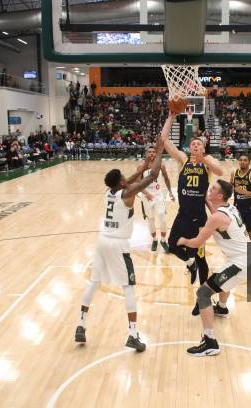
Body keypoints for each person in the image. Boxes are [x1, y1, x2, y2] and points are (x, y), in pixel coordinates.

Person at [75, 113, 172, 350]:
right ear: (121, 184)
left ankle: (81, 324)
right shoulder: (126, 194)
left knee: (94, 282)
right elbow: (151, 177)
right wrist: (158, 154)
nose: (126, 180)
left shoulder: (110, 192)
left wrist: (140, 168)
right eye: (124, 179)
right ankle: (132, 334)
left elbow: (130, 180)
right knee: (128, 287)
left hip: (101, 241)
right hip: (117, 245)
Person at [177, 180, 247, 356]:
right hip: (242, 258)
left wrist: (183, 241)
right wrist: (204, 198)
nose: (209, 189)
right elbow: (215, 211)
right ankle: (222, 308)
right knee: (223, 278)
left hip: (240, 263)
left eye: (213, 189)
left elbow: (198, 242)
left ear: (220, 196)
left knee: (203, 293)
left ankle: (210, 342)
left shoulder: (217, 218)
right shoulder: (229, 208)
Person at [163, 115, 224, 316]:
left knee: (202, 258)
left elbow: (220, 171)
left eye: (199, 144)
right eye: (193, 144)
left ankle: (202, 299)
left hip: (199, 217)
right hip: (183, 214)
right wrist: (171, 117)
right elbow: (164, 139)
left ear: (203, 148)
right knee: (171, 245)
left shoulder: (207, 163)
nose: (196, 146)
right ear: (189, 148)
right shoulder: (183, 160)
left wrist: (205, 159)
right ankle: (189, 264)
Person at [137, 146, 175, 252]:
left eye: (154, 152)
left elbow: (166, 178)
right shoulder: (141, 166)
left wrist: (170, 192)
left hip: (158, 195)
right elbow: (138, 183)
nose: (152, 153)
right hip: (146, 197)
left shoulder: (161, 165)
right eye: (149, 152)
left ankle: (163, 240)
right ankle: (154, 240)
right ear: (146, 154)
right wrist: (146, 193)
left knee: (162, 219)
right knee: (151, 220)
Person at [230, 154, 251, 255]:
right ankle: (238, 251)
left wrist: (244, 192)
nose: (242, 162)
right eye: (240, 160)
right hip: (237, 206)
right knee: (235, 230)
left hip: (250, 207)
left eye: (245, 160)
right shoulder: (234, 173)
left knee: (249, 230)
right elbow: (231, 186)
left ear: (249, 162)